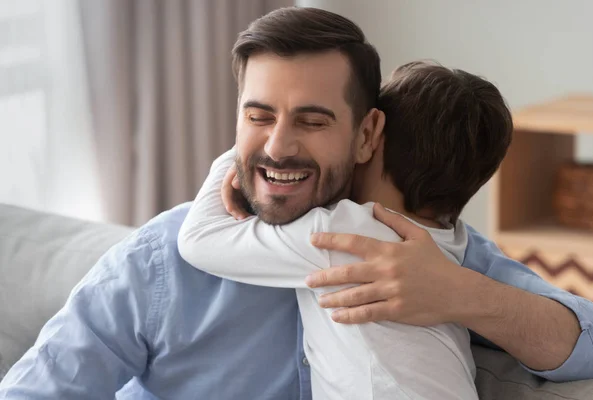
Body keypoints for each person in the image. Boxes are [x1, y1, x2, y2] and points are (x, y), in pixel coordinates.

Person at [1, 7, 593, 400]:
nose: (278, 147)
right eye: (258, 117)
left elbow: (589, 339)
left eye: (312, 121)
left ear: (368, 136)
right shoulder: (163, 259)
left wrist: (460, 295)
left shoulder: (429, 257)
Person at [178, 60, 516, 400]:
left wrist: (246, 154)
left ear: (371, 139)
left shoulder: (343, 234)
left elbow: (198, 240)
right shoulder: (452, 240)